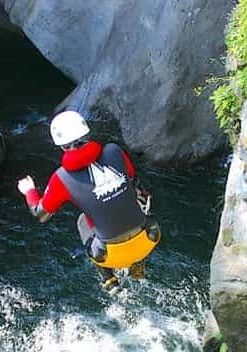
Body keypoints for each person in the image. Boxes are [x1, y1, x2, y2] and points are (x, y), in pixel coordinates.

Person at [17, 110, 161, 293]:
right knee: (134, 197)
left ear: (61, 145)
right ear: (86, 133)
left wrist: (29, 191)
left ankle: (108, 279)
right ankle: (138, 265)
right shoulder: (114, 150)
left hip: (108, 256)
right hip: (150, 236)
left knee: (83, 220)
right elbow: (132, 180)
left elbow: (41, 215)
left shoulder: (61, 178)